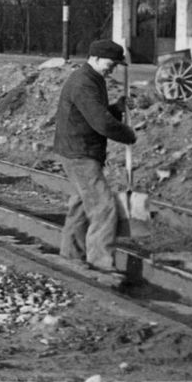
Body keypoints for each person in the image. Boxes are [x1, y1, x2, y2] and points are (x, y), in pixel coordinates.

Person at [54, 39, 137, 272]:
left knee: (80, 206)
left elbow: (94, 114)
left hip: (78, 149)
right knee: (103, 207)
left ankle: (71, 256)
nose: (114, 68)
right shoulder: (84, 83)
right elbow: (101, 122)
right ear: (97, 58)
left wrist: (117, 108)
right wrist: (127, 134)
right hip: (80, 152)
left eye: (117, 65)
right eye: (111, 63)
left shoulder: (94, 78)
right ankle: (100, 265)